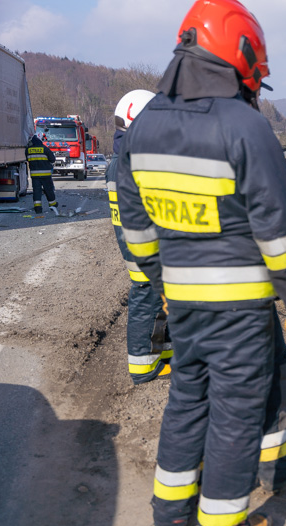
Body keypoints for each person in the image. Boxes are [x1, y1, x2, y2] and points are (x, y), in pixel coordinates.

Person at [116, 0, 286, 526]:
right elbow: (278, 229)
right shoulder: (245, 126)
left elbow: (137, 233)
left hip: (182, 303)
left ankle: (169, 510)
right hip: (241, 309)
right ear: (240, 54)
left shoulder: (142, 129)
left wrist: (165, 281)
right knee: (235, 411)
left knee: (187, 398)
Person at [107, 89, 173, 384]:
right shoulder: (131, 162)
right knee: (146, 297)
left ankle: (164, 356)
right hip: (141, 244)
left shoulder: (126, 157)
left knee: (159, 299)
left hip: (138, 241)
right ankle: (142, 365)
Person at [25, 134, 59, 214]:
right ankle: (53, 205)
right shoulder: (45, 149)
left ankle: (38, 208)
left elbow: (27, 159)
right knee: (49, 190)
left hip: (35, 176)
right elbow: (52, 159)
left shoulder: (28, 150)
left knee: (37, 192)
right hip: (46, 175)